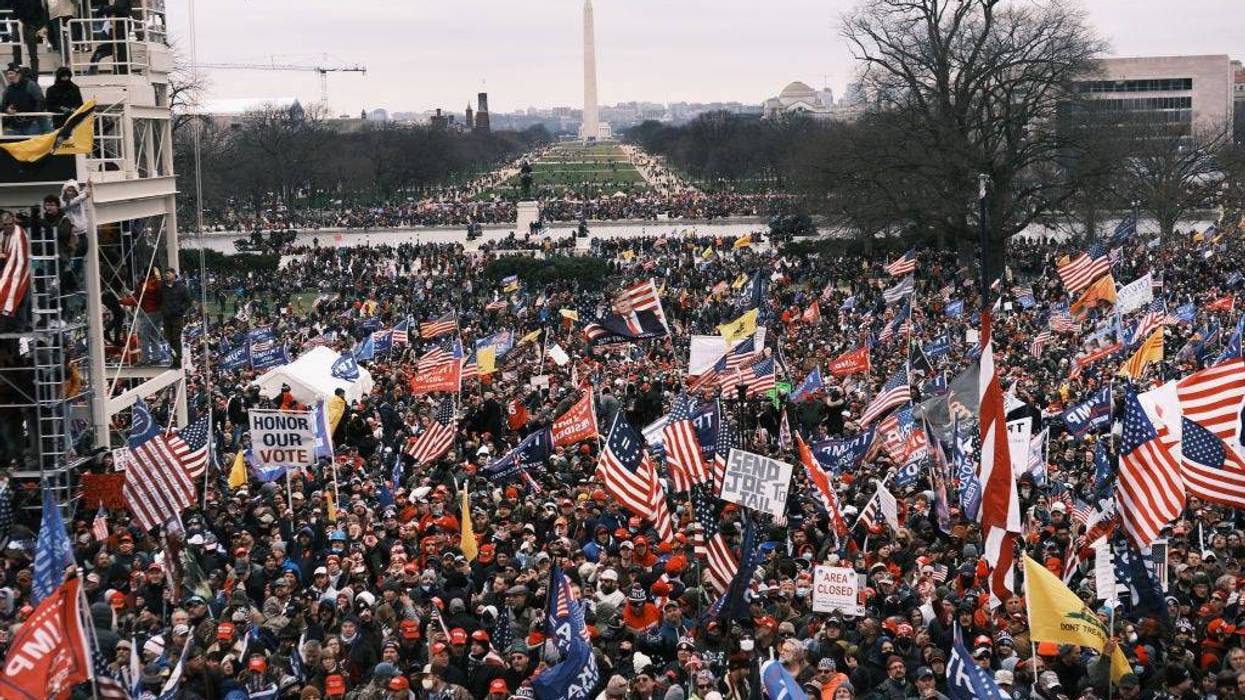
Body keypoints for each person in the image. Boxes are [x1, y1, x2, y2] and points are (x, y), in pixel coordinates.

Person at [159, 268, 192, 367]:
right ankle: (173, 358)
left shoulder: (181, 287)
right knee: (169, 338)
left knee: (176, 338)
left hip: (177, 317)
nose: (166, 275)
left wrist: (181, 309)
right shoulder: (162, 287)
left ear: (174, 275)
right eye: (165, 273)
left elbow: (188, 301)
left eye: (168, 273)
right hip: (166, 317)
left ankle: (177, 360)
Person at [1, 62, 45, 135]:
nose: (9, 76)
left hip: (31, 124)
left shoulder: (30, 85)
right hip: (15, 125)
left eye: (11, 73)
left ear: (18, 74)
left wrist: (34, 116)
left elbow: (40, 101)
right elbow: (3, 105)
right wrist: (7, 110)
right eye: (8, 74)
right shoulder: (8, 89)